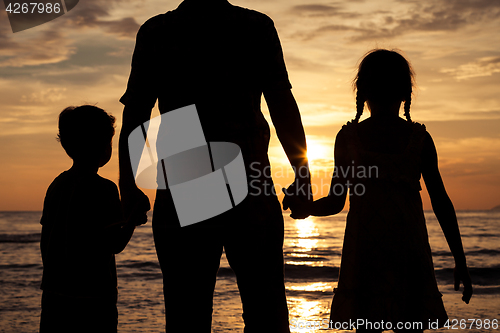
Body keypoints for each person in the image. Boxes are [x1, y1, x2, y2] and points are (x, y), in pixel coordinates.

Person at [118, 0, 311, 332]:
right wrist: (301, 174)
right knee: (266, 312)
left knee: (186, 314)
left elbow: (136, 113)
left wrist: (128, 183)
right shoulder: (254, 26)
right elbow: (281, 104)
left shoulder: (158, 31)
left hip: (186, 174)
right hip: (246, 172)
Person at [288, 49, 473, 332]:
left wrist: (306, 208)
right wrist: (460, 260)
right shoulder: (418, 139)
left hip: (365, 254)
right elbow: (441, 203)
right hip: (409, 252)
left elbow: (336, 202)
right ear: (405, 92)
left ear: (362, 92)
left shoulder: (349, 139)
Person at [39, 105, 147, 333]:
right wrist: (132, 220)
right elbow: (114, 244)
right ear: (101, 146)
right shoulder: (103, 189)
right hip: (94, 295)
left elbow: (46, 239)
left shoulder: (56, 186)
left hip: (54, 293)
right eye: (109, 142)